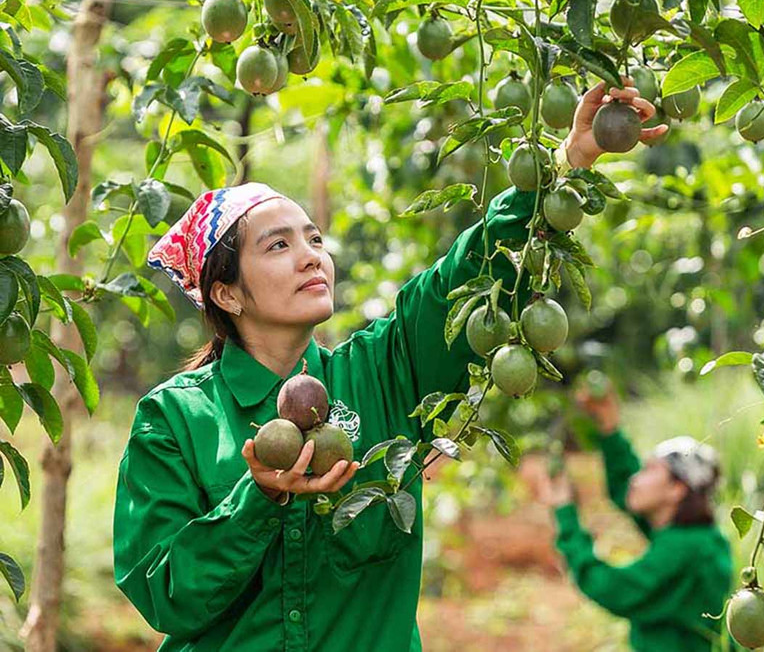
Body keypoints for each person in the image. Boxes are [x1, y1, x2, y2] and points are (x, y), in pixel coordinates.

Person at [112, 80, 666, 652]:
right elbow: (163, 595)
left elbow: (462, 276)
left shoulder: (382, 371)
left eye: (314, 238)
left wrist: (567, 161)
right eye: (278, 246)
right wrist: (259, 499)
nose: (311, 255)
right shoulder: (176, 417)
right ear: (226, 294)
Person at [536, 385, 734, 651]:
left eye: (649, 470)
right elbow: (626, 490)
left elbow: (613, 588)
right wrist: (609, 429)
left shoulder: (685, 548)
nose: (636, 479)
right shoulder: (695, 536)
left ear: (678, 488)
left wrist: (566, 514)